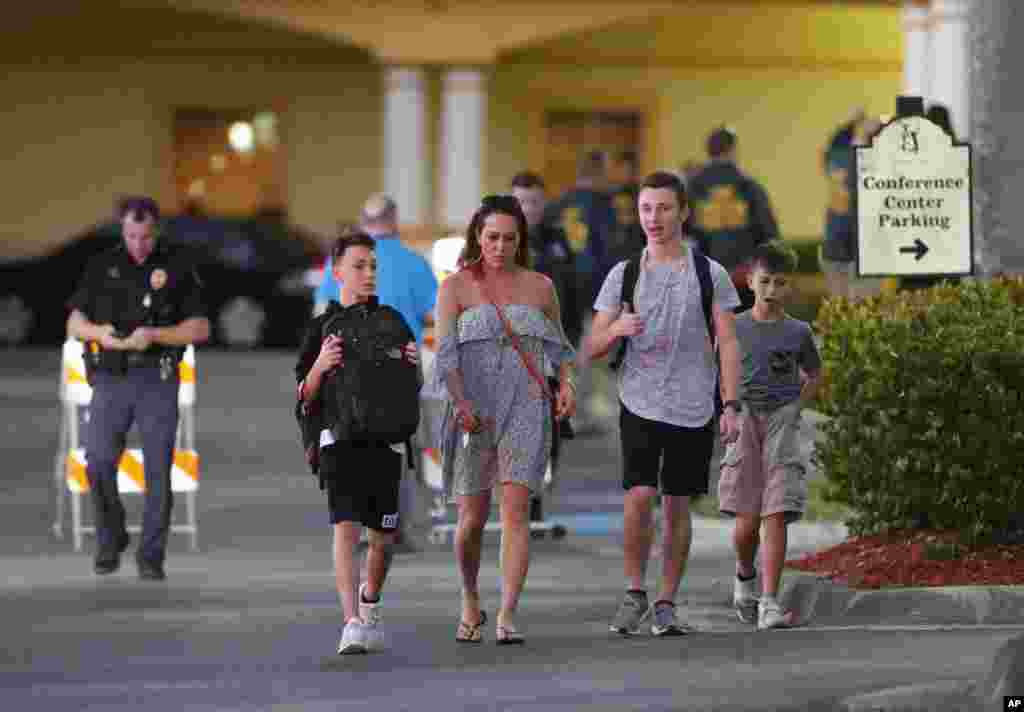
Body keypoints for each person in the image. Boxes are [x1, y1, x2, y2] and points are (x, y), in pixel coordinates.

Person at [585, 171, 742, 637]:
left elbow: (729, 343)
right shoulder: (624, 274)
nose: (653, 218)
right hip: (639, 398)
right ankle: (634, 591)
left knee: (676, 504)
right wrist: (616, 329)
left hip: (694, 403)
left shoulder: (709, 274)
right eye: (646, 209)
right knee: (638, 496)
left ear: (683, 212)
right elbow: (591, 346)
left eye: (664, 208)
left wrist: (731, 404)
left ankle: (666, 601)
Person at [432, 194, 576, 644]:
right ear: (478, 236)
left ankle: (508, 613)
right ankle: (470, 596)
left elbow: (559, 348)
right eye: (492, 237)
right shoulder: (455, 288)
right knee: (471, 520)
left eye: (509, 239)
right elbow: (446, 356)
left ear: (520, 241)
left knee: (516, 511)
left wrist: (566, 385)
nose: (499, 246)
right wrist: (461, 403)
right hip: (473, 408)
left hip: (527, 403)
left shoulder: (541, 287)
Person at [66, 196, 210, 580]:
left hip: (156, 377)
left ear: (156, 231)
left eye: (145, 236)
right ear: (122, 230)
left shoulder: (177, 265)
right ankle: (111, 538)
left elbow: (200, 328)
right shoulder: (102, 265)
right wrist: (99, 333)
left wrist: (155, 335)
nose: (138, 244)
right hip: (110, 376)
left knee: (158, 467)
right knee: (98, 460)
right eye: (131, 235)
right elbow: (75, 322)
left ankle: (151, 556)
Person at [295, 231, 420, 655]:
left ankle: (370, 599)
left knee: (383, 539)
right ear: (338, 272)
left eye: (373, 267)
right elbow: (304, 395)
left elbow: (411, 387)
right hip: (339, 439)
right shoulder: (322, 328)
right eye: (359, 266)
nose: (368, 274)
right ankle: (350, 622)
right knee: (346, 528)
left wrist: (413, 367)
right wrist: (320, 366)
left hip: (385, 444)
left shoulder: (393, 323)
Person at [312, 194, 439, 550]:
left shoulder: (342, 261)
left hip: (349, 369)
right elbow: (435, 314)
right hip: (399, 370)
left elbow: (321, 312)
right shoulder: (414, 263)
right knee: (399, 448)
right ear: (394, 219)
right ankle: (393, 529)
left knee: (351, 446)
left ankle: (357, 528)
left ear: (363, 221)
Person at [717, 241, 822, 630]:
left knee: (776, 512)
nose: (772, 290)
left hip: (781, 422)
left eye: (780, 283)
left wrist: (798, 405)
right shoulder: (734, 327)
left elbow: (815, 373)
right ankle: (745, 573)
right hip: (745, 420)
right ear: (750, 281)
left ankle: (769, 602)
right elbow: (719, 373)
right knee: (747, 522)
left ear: (789, 285)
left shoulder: (798, 331)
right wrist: (728, 409)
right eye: (765, 282)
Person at [510, 171, 574, 522]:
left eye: (533, 201)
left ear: (543, 203)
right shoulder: (500, 241)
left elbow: (572, 291)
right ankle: (519, 499)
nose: (528, 209)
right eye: (521, 201)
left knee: (552, 427)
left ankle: (536, 496)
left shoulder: (556, 241)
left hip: (551, 348)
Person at [687, 126, 779, 312]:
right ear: (733, 150)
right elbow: (768, 230)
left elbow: (682, 230)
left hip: (705, 275)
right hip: (744, 275)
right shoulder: (749, 185)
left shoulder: (692, 187)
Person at [544, 150, 618, 347]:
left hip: (562, 281)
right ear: (599, 171)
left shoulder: (558, 204)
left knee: (570, 343)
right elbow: (609, 246)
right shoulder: (606, 204)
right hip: (597, 280)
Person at [820, 116, 884, 301]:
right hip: (848, 240)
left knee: (854, 303)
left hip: (853, 241)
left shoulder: (839, 157)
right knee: (851, 302)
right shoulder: (845, 156)